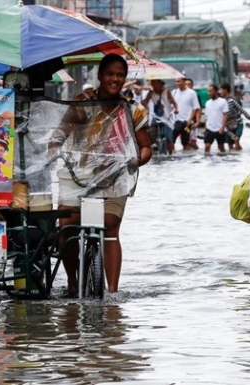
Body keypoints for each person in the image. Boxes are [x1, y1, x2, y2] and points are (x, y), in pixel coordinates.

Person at [55, 53, 153, 295]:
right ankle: (72, 281)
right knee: (66, 226)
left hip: (116, 177)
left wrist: (132, 162)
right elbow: (59, 135)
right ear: (100, 76)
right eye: (110, 74)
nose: (115, 79)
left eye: (120, 75)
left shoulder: (133, 111)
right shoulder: (82, 103)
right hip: (78, 175)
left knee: (110, 226)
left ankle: (113, 293)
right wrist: (50, 151)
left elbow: (146, 148)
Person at [141, 79, 178, 155]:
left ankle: (171, 154)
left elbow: (174, 103)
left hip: (167, 117)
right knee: (151, 131)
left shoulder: (166, 92)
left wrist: (176, 110)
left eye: (156, 83)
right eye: (153, 84)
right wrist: (145, 98)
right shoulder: (151, 93)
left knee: (169, 138)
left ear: (161, 84)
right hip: (156, 116)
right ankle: (153, 146)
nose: (154, 85)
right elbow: (144, 103)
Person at [219, 82, 250, 150]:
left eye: (221, 90)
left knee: (236, 139)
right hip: (227, 126)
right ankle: (233, 158)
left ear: (225, 90)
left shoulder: (233, 100)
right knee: (230, 145)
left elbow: (241, 110)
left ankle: (239, 157)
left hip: (238, 123)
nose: (220, 92)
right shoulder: (221, 102)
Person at [172, 77, 200, 151]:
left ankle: (187, 159)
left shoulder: (192, 93)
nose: (177, 83)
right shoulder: (174, 92)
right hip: (175, 121)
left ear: (184, 82)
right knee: (171, 140)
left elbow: (196, 107)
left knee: (186, 142)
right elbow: (171, 105)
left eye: (179, 81)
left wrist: (190, 120)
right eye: (176, 81)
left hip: (186, 122)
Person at [203, 84, 228, 154]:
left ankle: (223, 160)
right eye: (208, 91)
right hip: (210, 128)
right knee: (207, 146)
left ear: (216, 91)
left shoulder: (223, 101)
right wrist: (205, 128)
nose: (209, 93)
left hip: (219, 128)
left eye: (211, 91)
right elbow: (206, 116)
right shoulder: (207, 103)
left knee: (221, 147)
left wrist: (223, 127)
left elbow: (225, 115)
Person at [184, 78, 202, 150]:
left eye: (189, 84)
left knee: (192, 141)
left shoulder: (195, 95)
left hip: (192, 121)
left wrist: (198, 121)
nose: (188, 86)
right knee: (185, 142)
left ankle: (198, 153)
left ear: (192, 85)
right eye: (186, 84)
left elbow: (199, 108)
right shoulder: (180, 93)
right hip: (183, 121)